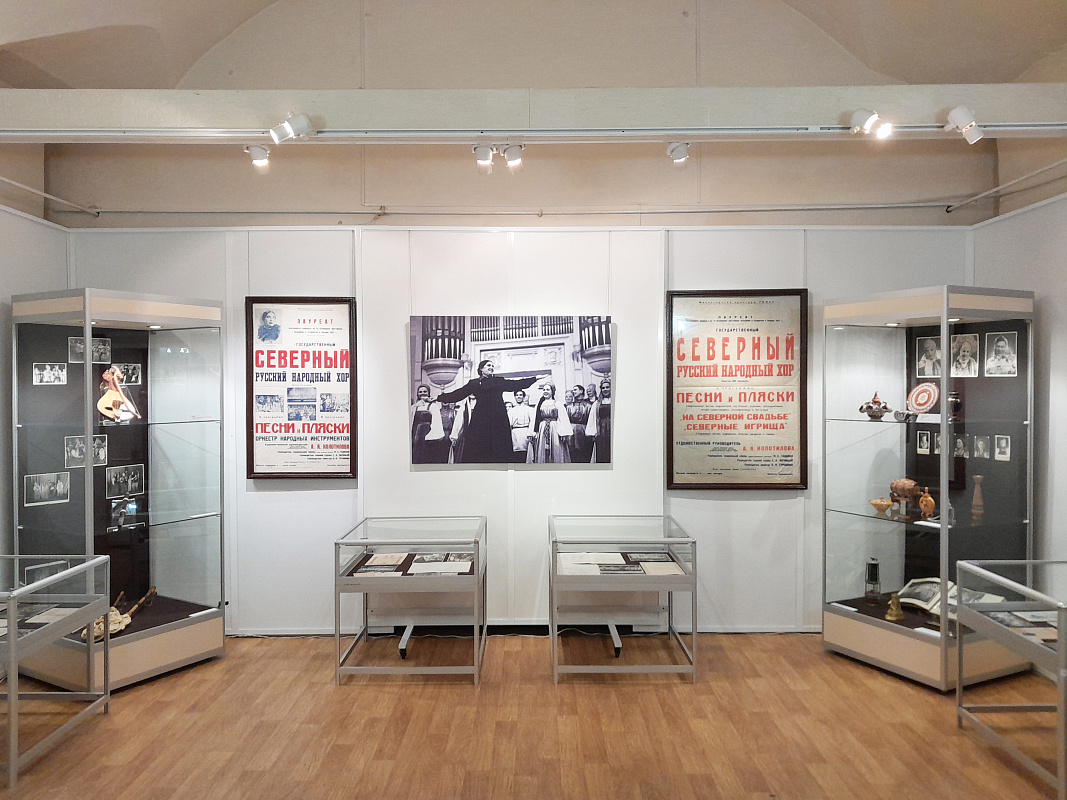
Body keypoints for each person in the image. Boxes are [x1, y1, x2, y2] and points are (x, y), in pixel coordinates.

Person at [435, 360, 547, 463]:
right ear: (481, 369)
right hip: (481, 418)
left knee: (499, 445)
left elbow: (515, 384)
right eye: (489, 365)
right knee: (479, 446)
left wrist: (534, 379)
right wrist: (439, 398)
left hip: (498, 418)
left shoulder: (498, 381)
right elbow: (458, 394)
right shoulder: (474, 383)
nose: (491, 367)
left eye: (493, 366)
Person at [526, 381, 573, 463]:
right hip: (542, 428)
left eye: (548, 390)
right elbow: (534, 419)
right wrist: (531, 433)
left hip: (554, 428)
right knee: (543, 449)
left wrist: (564, 433)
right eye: (544, 390)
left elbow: (562, 418)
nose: (545, 391)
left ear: (552, 391)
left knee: (556, 447)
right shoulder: (539, 405)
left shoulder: (558, 404)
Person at [410, 384, 448, 464]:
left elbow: (436, 423)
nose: (422, 393)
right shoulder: (414, 407)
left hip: (427, 435)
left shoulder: (433, 406)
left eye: (425, 391)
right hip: (415, 434)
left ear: (428, 393)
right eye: (420, 392)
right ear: (417, 393)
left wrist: (430, 437)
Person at [586, 376, 612, 463]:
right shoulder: (597, 403)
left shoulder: (616, 401)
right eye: (603, 388)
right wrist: (593, 433)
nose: (605, 389)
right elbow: (592, 418)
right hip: (601, 430)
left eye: (607, 387)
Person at [566, 384, 594, 463]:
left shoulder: (588, 406)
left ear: (581, 391)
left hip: (584, 432)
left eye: (575, 390)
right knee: (572, 455)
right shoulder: (569, 406)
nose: (573, 391)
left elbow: (591, 421)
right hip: (572, 433)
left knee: (585, 455)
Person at [507, 389, 536, 463]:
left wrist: (530, 433)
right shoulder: (511, 411)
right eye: (517, 395)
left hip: (525, 433)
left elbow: (532, 422)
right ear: (515, 397)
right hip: (514, 434)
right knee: (515, 454)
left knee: (526, 455)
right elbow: (508, 424)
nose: (519, 397)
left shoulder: (530, 410)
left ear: (523, 397)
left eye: (520, 395)